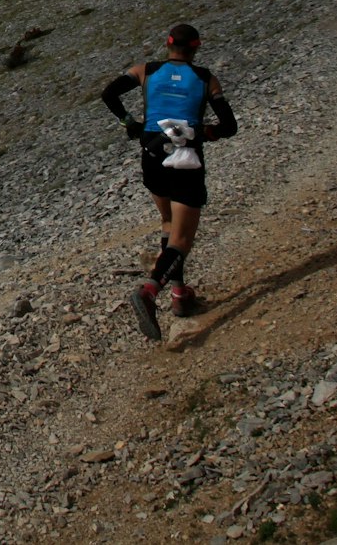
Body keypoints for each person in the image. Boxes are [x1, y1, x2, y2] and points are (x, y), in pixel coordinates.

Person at [99, 23, 239, 340]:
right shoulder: (206, 80)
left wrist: (129, 123)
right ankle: (150, 290)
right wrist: (204, 131)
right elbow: (229, 126)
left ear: (168, 44)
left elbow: (109, 93)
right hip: (186, 157)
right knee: (182, 239)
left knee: (167, 222)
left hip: (151, 153)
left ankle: (179, 294)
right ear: (196, 47)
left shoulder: (146, 71)